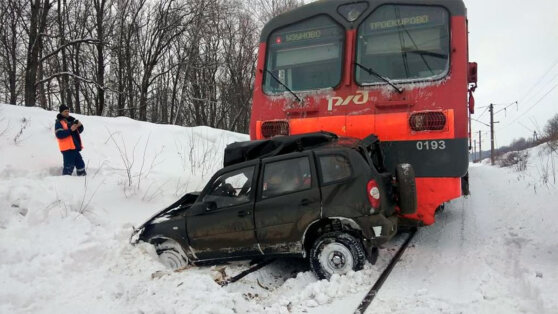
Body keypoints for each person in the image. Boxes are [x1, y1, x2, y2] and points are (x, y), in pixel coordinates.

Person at [54, 105, 86, 176]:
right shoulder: (59, 122)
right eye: (65, 111)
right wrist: (70, 130)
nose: (67, 113)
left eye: (68, 111)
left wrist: (80, 126)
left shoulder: (71, 120)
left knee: (80, 164)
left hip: (74, 147)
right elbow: (59, 134)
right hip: (67, 148)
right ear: (61, 112)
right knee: (69, 167)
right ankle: (66, 183)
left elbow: (78, 131)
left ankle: (83, 178)